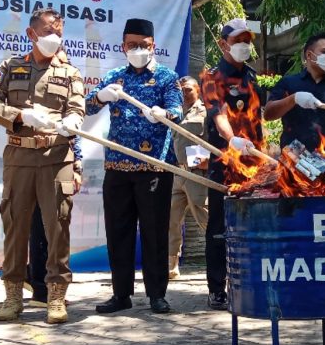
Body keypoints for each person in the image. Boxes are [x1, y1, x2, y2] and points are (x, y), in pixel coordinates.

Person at [0, 7, 85, 324]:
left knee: (58, 226)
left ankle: (56, 296)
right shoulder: (11, 67)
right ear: (31, 34)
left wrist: (71, 120)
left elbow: (78, 109)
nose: (54, 37)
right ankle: (13, 295)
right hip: (19, 157)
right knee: (15, 227)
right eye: (47, 31)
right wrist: (20, 116)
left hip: (57, 158)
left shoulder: (71, 73)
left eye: (58, 31)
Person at [87, 18, 182, 315]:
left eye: (144, 45)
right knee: (118, 232)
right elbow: (88, 106)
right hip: (117, 166)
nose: (138, 49)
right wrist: (101, 96)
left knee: (154, 232)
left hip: (154, 167)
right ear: (123, 46)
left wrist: (163, 113)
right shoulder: (115, 76)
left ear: (153, 46)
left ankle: (157, 295)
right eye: (132, 45)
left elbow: (178, 111)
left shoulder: (167, 77)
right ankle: (121, 294)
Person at [201, 18, 263, 310]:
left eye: (247, 40)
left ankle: (248, 282)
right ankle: (217, 288)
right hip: (224, 162)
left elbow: (260, 117)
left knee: (251, 223)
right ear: (223, 43)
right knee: (219, 226)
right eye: (238, 41)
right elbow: (219, 114)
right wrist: (232, 139)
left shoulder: (252, 76)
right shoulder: (212, 77)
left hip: (255, 163)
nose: (244, 46)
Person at [263, 33, 325, 158]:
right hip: (292, 161)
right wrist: (293, 99)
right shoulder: (288, 82)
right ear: (309, 55)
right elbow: (268, 114)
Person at [26, 137, 83, 307]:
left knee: (56, 226)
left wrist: (76, 164)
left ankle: (39, 283)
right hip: (31, 161)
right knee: (39, 227)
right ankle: (41, 290)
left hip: (59, 161)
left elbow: (73, 132)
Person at [167, 76, 210, 279]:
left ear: (198, 91)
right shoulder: (173, 111)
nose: (184, 93)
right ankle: (171, 265)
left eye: (188, 90)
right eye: (181, 90)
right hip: (176, 172)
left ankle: (223, 256)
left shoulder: (206, 112)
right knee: (171, 220)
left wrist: (206, 162)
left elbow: (214, 141)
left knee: (205, 217)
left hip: (197, 173)